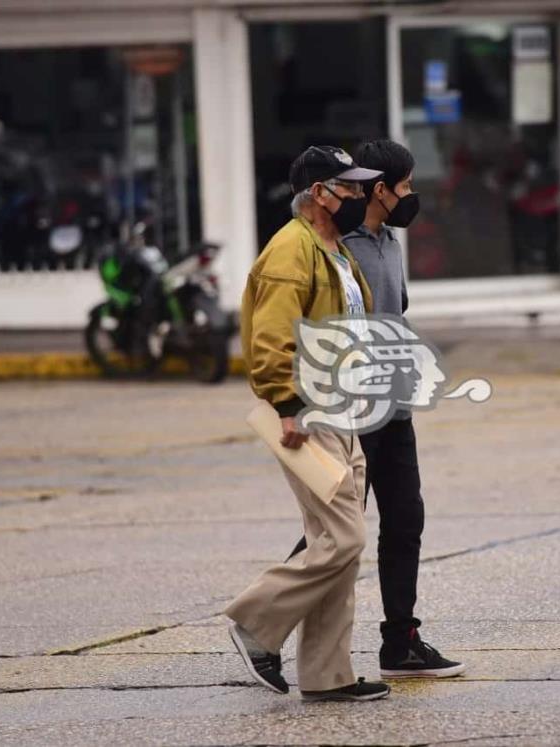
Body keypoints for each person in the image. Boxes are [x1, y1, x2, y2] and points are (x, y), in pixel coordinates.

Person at [289, 139, 466, 679]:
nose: (412, 195)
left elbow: (397, 313)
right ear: (380, 189)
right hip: (346, 413)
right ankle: (266, 627)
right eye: (405, 185)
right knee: (333, 530)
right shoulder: (334, 248)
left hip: (394, 408)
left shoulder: (390, 242)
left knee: (405, 518)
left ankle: (401, 641)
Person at [225, 146, 391, 703]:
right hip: (308, 413)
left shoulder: (335, 250)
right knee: (346, 535)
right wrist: (286, 404)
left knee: (333, 543)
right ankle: (254, 620)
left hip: (344, 412)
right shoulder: (289, 251)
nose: (361, 197)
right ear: (320, 193)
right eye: (350, 188)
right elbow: (270, 337)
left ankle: (328, 675)